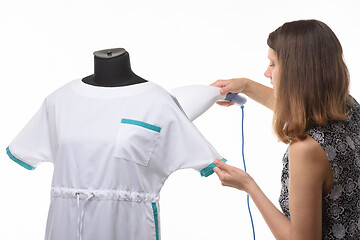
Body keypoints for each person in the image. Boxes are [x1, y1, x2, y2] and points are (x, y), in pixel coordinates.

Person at [211, 19, 360, 240]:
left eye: (273, 64)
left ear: (296, 72)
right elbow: (300, 106)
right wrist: (245, 85)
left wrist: (249, 186)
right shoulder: (347, 106)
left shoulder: (307, 149)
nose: (266, 72)